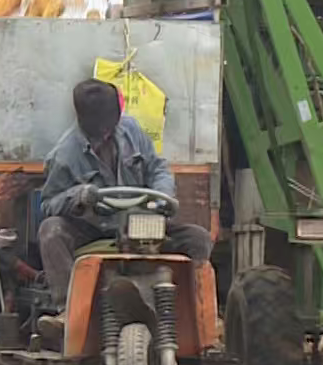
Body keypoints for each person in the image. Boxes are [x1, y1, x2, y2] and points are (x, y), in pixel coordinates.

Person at [35, 78, 212, 343]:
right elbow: (48, 204)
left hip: (140, 223)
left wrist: (162, 194)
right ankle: (68, 311)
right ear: (85, 121)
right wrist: (78, 195)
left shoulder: (131, 130)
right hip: (94, 229)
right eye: (102, 127)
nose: (108, 131)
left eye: (111, 124)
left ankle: (197, 313)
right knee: (51, 232)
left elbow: (157, 167)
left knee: (198, 238)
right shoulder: (64, 156)